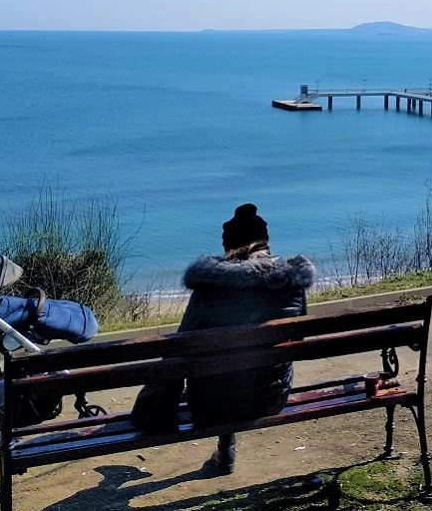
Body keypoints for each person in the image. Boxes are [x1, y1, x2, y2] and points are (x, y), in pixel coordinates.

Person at [130, 203, 316, 475]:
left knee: (224, 375)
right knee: (248, 368)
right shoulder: (292, 284)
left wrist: (151, 409)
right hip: (271, 397)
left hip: (212, 406)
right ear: (265, 242)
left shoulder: (209, 287)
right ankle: (225, 449)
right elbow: (296, 339)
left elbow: (178, 349)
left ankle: (226, 449)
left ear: (229, 247)